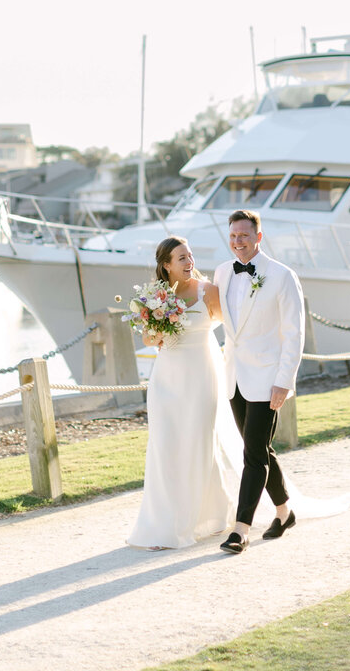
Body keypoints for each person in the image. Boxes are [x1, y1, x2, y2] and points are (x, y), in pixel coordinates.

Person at [127, 235, 235, 549]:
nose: (189, 263)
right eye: (182, 259)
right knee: (165, 447)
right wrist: (159, 322)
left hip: (201, 375)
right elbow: (148, 340)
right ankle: (164, 524)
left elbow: (228, 326)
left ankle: (210, 515)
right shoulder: (155, 296)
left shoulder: (208, 291)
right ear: (166, 266)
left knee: (198, 443)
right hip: (166, 379)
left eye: (190, 256)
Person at [213, 208, 305, 554]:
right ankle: (284, 512)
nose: (238, 242)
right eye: (234, 236)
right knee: (260, 450)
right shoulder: (223, 272)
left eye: (245, 236)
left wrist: (284, 380)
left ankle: (240, 529)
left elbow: (294, 333)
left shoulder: (281, 276)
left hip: (268, 379)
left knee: (252, 454)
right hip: (235, 376)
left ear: (258, 237)